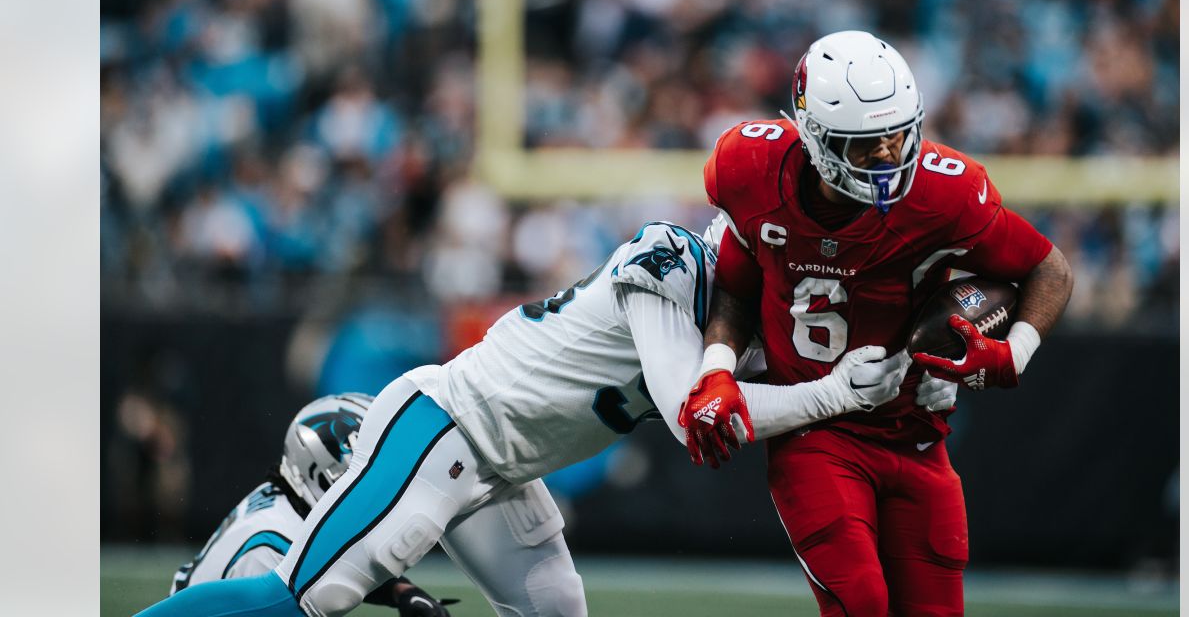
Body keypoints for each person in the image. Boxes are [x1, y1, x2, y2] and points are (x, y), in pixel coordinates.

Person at [135, 221, 914, 617]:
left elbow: (787, 393)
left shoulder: (731, 329)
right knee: (308, 595)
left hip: (505, 470)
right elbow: (694, 415)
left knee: (555, 610)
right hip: (445, 425)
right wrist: (837, 392)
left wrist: (906, 376)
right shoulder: (670, 259)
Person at [680, 30, 1074, 616]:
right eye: (865, 146)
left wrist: (1012, 353)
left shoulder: (944, 191)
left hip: (916, 435)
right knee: (860, 602)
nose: (890, 156)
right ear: (813, 136)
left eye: (899, 135)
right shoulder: (753, 168)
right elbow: (737, 287)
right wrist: (717, 368)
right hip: (819, 432)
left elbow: (1048, 269)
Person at [170, 393, 455, 617]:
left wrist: (401, 591)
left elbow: (325, 555)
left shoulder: (288, 500)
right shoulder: (270, 551)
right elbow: (309, 565)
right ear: (322, 474)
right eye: (363, 475)